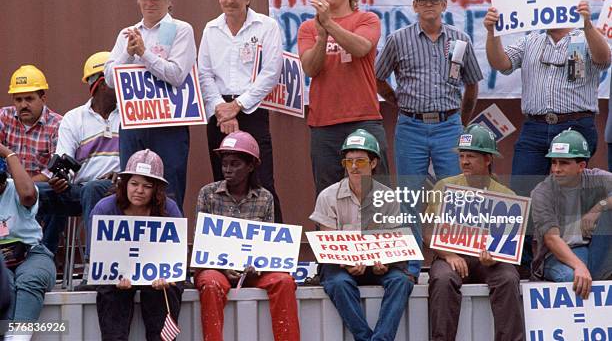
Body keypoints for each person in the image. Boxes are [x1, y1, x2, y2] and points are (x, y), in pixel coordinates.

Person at [483, 0, 611, 197]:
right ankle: (529, 229)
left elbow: (604, 59)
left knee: (570, 197)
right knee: (522, 193)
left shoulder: (585, 38)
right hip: (535, 127)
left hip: (575, 126)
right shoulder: (530, 41)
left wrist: (587, 24)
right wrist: (492, 32)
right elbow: (501, 63)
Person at [375, 0, 482, 198]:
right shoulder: (397, 40)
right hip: (410, 127)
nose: (429, 5)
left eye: (434, 0)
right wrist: (398, 101)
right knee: (409, 195)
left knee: (456, 194)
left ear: (444, 4)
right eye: (423, 1)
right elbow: (378, 77)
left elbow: (472, 84)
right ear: (415, 5)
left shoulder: (461, 39)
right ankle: (413, 236)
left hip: (449, 125)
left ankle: (451, 236)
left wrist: (460, 121)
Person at [310, 129, 420, 341]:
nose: (353, 167)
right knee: (338, 283)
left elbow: (393, 240)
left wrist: (384, 263)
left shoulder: (388, 197)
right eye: (348, 161)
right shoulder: (328, 196)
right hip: (342, 265)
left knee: (402, 281)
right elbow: (329, 243)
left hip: (380, 263)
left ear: (373, 163)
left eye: (360, 161)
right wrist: (348, 261)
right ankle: (365, 337)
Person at [104, 0, 197, 211]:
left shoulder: (181, 30)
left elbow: (177, 75)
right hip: (134, 122)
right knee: (131, 187)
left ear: (169, 0)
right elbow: (111, 79)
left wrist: (144, 54)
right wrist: (128, 51)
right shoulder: (127, 34)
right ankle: (132, 243)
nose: (149, 2)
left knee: (171, 188)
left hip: (169, 123)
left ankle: (170, 247)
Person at [194, 131, 300, 341]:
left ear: (251, 166)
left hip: (255, 270)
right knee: (210, 283)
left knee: (285, 281)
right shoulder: (207, 193)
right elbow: (202, 242)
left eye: (235, 164)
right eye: (225, 164)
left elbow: (267, 246)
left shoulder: (265, 198)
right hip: (217, 269)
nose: (227, 169)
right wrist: (223, 267)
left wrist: (257, 266)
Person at [199, 0, 284, 222]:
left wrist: (237, 106)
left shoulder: (266, 26)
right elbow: (204, 73)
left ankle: (274, 253)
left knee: (262, 181)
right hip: (218, 114)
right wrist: (221, 111)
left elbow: (271, 72)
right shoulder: (211, 29)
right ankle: (224, 253)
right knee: (222, 183)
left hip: (252, 111)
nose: (229, 0)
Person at [297, 0, 389, 195]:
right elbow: (310, 69)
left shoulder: (367, 19)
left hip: (364, 119)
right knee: (327, 196)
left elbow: (360, 48)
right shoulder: (308, 27)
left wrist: (329, 25)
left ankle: (378, 234)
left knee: (375, 194)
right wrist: (322, 36)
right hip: (323, 123)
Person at [424, 124, 523, 341]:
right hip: (450, 255)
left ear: (488, 159)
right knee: (441, 278)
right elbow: (428, 233)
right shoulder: (443, 186)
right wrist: (449, 255)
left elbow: (511, 242)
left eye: (472, 156)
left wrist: (495, 256)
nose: (465, 161)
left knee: (508, 277)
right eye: (462, 155)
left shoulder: (506, 195)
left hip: (489, 260)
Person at [90, 149, 183, 341]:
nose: (139, 191)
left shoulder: (169, 209)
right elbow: (97, 254)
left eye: (147, 186)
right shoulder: (104, 209)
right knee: (110, 292)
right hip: (117, 278)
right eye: (133, 183)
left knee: (166, 291)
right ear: (124, 184)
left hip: (157, 278)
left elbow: (176, 255)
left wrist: (167, 276)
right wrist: (114, 276)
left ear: (156, 189)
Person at [38, 52, 119, 263]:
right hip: (79, 190)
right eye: (117, 78)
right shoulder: (74, 118)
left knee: (93, 189)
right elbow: (64, 162)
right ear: (101, 83)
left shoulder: (130, 115)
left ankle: (96, 266)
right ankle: (33, 259)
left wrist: (123, 176)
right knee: (33, 193)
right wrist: (61, 180)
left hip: (118, 189)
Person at [531, 129, 612, 299]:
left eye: (564, 163)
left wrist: (598, 207)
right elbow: (551, 239)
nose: (556, 169)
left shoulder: (595, 178)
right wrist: (579, 267)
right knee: (573, 279)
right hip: (554, 255)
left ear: (581, 166)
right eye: (554, 162)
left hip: (590, 247)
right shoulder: (542, 192)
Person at [0, 142, 56, 341]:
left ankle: (19, 338)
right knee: (3, 283)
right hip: (1, 261)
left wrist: (7, 153)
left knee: (31, 277)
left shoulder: (17, 187)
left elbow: (28, 195)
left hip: (31, 253)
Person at [0, 65, 62, 182]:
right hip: (5, 187)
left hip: (41, 190)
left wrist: (23, 187)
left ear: (43, 99)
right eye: (18, 100)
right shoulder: (4, 117)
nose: (23, 105)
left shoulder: (57, 125)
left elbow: (53, 171)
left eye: (29, 99)